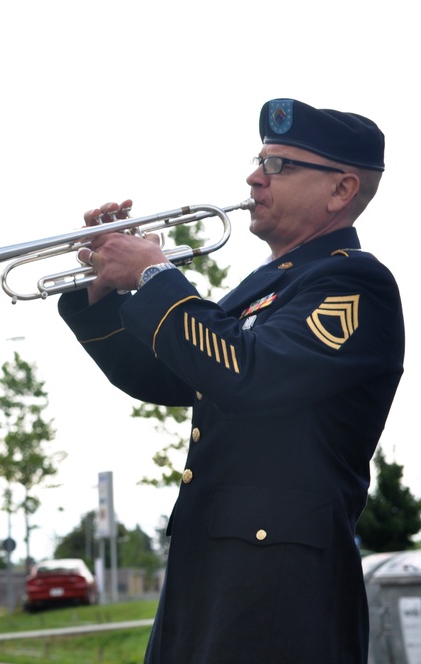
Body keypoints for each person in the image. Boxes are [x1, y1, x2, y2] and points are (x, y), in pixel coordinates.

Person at [58, 98, 404, 663]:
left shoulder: (353, 282)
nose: (254, 176)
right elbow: (170, 375)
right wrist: (101, 296)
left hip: (280, 590)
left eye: (280, 165)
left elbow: (248, 373)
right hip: (210, 572)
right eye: (261, 159)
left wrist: (154, 273)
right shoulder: (266, 284)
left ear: (340, 191)